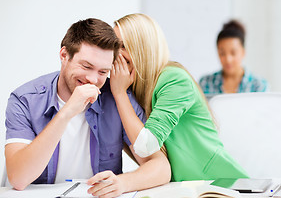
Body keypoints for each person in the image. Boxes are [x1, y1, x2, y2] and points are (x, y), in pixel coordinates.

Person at [4, 18, 171, 197]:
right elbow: (19, 178)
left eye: (102, 72)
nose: (93, 79)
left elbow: (161, 167)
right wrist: (67, 112)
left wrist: (123, 183)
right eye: (86, 66)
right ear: (64, 55)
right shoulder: (24, 100)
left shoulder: (117, 99)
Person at [109, 13, 249, 181]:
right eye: (114, 47)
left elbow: (146, 146)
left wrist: (119, 93)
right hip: (186, 187)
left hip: (222, 184)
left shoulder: (174, 79)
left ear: (142, 48)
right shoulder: (135, 89)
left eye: (123, 46)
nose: (116, 55)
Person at [199, 20, 269, 95]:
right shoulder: (205, 83)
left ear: (243, 52)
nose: (228, 60)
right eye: (222, 53)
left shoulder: (259, 86)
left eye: (233, 53)